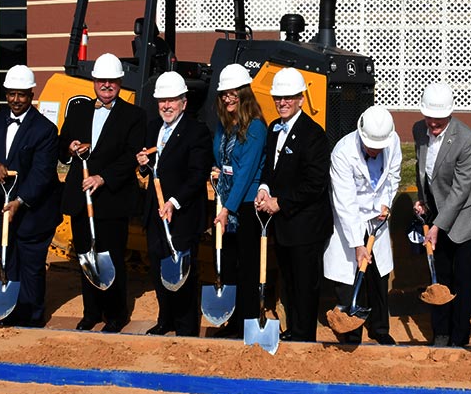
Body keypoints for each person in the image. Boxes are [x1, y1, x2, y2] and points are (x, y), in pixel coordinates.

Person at [59, 53, 145, 332]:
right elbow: (62, 148)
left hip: (111, 198)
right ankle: (91, 312)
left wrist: (103, 177)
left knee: (112, 257)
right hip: (81, 196)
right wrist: (71, 147)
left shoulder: (134, 115)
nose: (106, 85)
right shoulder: (79, 110)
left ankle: (116, 315)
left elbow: (131, 155)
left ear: (120, 82)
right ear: (94, 81)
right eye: (101, 80)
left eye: (112, 81)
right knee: (86, 256)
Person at [0, 65, 62, 328]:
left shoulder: (45, 129)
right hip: (1, 207)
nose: (16, 100)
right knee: (8, 259)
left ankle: (33, 315)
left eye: (21, 95)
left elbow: (42, 173)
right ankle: (11, 310)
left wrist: (20, 201)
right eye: (11, 94)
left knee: (31, 265)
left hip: (33, 210)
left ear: (31, 94)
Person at [254, 67, 332, 342]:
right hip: (285, 223)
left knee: (305, 284)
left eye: (288, 97)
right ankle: (295, 330)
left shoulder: (314, 135)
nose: (283, 102)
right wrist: (264, 189)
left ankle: (304, 335)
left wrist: (281, 203)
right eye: (278, 98)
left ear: (301, 98)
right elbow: (270, 168)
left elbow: (315, 184)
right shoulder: (274, 128)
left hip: (306, 224)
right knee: (289, 281)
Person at [136, 71, 212, 337]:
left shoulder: (197, 131)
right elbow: (151, 167)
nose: (166, 106)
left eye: (172, 100)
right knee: (158, 269)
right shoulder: (152, 127)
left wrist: (174, 201)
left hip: (182, 214)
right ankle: (165, 319)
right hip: (155, 213)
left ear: (184, 102)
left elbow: (197, 174)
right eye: (162, 101)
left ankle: (185, 325)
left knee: (183, 271)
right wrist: (144, 165)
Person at [412, 83, 471, 347]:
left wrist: (438, 226)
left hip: (463, 220)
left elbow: (461, 190)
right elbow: (424, 171)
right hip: (435, 215)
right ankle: (440, 332)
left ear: (450, 115)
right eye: (429, 118)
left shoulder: (467, 140)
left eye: (439, 120)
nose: (433, 124)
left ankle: (459, 335)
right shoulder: (419, 129)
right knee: (439, 277)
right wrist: (423, 199)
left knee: (463, 280)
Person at [324, 105, 401, 345]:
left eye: (380, 148)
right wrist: (357, 244)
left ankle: (379, 328)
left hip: (377, 218)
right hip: (351, 217)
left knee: (379, 277)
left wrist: (386, 203)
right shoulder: (342, 152)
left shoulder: (393, 141)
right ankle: (352, 332)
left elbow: (394, 176)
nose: (376, 151)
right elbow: (345, 203)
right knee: (349, 278)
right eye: (371, 147)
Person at [210, 64, 266, 339]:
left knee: (247, 265)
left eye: (234, 93)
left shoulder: (255, 128)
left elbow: (245, 173)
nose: (228, 98)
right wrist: (217, 170)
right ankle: (231, 320)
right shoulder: (224, 127)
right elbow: (223, 160)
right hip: (226, 200)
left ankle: (248, 321)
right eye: (224, 94)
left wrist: (227, 209)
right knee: (228, 262)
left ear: (244, 94)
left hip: (244, 205)